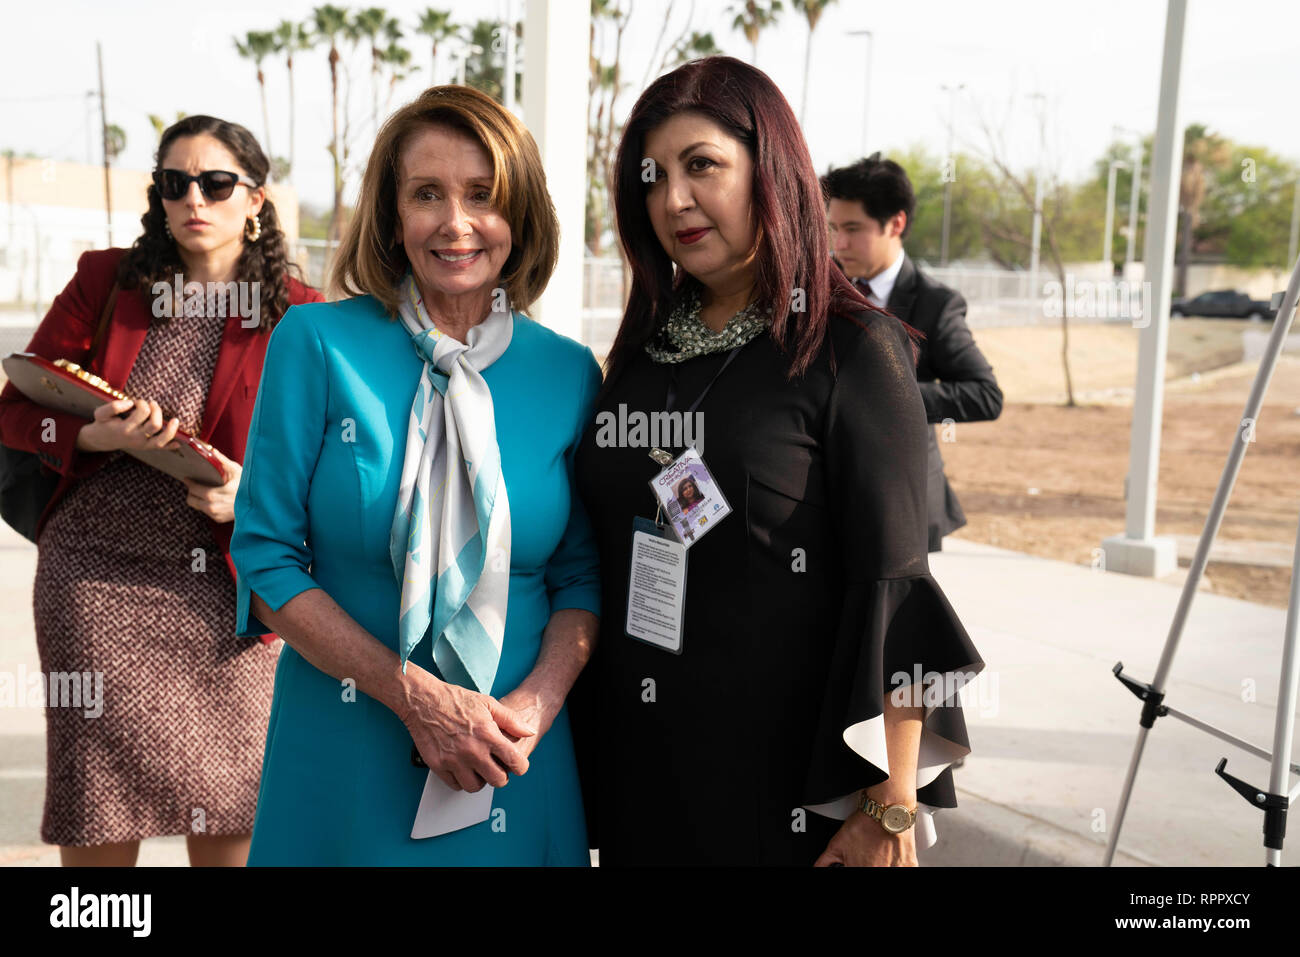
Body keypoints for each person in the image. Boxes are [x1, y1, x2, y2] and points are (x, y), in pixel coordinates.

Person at [571, 56, 985, 866]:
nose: (675, 200)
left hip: (784, 790)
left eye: (703, 167)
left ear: (774, 172)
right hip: (638, 769)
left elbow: (894, 583)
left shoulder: (853, 348)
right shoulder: (642, 351)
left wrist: (890, 804)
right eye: (654, 177)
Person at [228, 85, 601, 865]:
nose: (455, 223)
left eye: (483, 195)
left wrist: (534, 708)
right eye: (426, 193)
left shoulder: (568, 373)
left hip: (512, 757)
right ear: (392, 216)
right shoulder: (318, 341)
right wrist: (417, 699)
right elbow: (264, 557)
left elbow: (581, 577)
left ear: (521, 215)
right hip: (347, 745)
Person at [0, 115, 323, 866]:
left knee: (232, 806)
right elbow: (16, 409)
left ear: (256, 201)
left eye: (215, 183)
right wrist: (93, 435)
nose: (193, 200)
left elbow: (335, 469)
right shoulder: (106, 282)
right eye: (175, 183)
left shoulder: (304, 318)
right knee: (99, 809)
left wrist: (252, 497)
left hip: (228, 595)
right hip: (95, 583)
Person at [823, 153, 1002, 552]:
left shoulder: (936, 304)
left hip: (902, 500)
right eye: (834, 228)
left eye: (853, 228)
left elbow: (985, 396)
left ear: (896, 223)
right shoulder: (816, 289)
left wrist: (884, 394)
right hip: (824, 493)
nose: (840, 244)